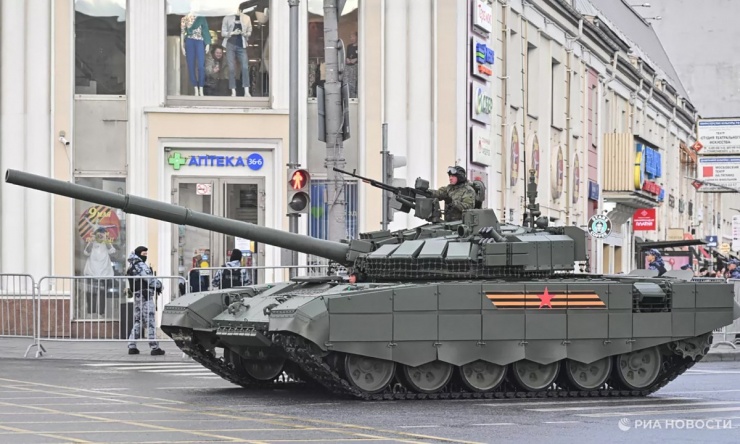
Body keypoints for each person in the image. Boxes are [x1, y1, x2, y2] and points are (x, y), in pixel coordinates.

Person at [126, 246, 165, 355]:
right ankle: (154, 347)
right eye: (144, 254)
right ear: (138, 254)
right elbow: (150, 279)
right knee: (150, 320)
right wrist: (159, 285)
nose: (145, 256)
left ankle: (132, 345)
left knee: (138, 321)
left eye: (146, 254)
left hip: (138, 295)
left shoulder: (131, 265)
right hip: (146, 296)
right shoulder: (141, 265)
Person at [221, 4, 253, 97]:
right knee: (231, 68)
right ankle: (233, 91)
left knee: (245, 67)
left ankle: (246, 91)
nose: (236, 11)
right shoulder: (227, 17)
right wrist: (232, 33)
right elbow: (223, 32)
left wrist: (245, 33)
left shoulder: (246, 18)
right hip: (230, 44)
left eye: (238, 9)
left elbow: (250, 31)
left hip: (241, 44)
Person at [345, 31, 358, 98]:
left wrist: (356, 59)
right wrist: (347, 59)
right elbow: (347, 56)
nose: (352, 38)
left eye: (353, 37)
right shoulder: (349, 46)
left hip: (356, 67)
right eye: (350, 37)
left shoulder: (360, 46)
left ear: (357, 37)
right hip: (349, 67)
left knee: (355, 83)